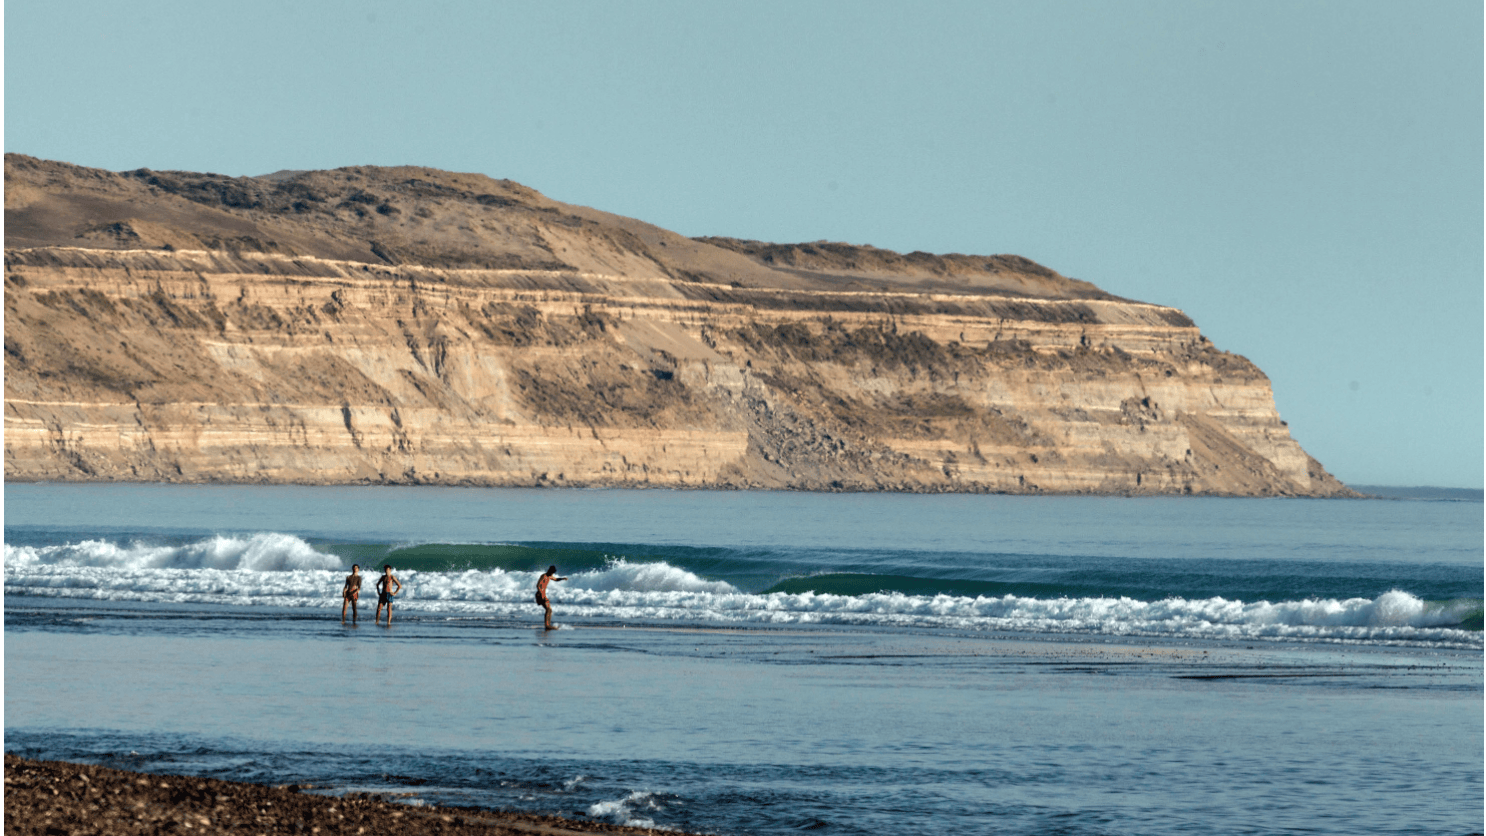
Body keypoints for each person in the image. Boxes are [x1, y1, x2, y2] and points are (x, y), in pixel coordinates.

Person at [534, 565, 568, 630]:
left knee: (549, 610)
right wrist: (541, 594)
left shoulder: (550, 576)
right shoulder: (543, 576)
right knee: (548, 609)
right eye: (551, 572)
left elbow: (555, 579)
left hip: (543, 595)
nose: (552, 574)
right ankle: (547, 625)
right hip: (540, 595)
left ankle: (548, 625)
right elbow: (538, 585)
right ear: (549, 570)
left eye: (553, 573)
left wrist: (562, 578)